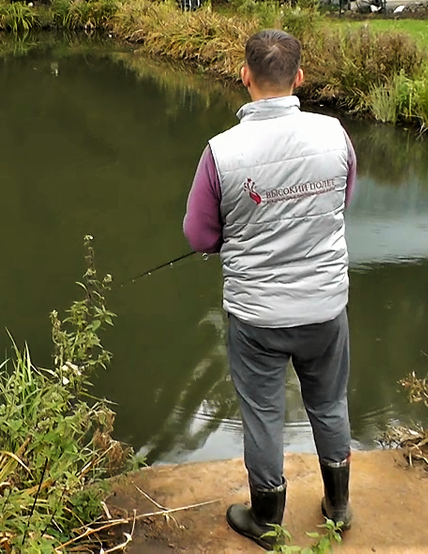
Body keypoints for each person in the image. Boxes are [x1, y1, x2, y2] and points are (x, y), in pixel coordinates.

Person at [182, 29, 357, 549]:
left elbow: (200, 237)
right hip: (326, 309)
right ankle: (339, 505)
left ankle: (266, 519)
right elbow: (341, 203)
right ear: (299, 78)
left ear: (245, 77)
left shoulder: (221, 152)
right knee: (329, 404)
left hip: (256, 318)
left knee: (262, 414)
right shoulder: (336, 135)